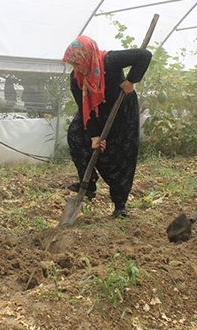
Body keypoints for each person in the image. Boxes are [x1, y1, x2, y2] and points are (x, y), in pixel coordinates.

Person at [62, 35, 152, 218]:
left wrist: (131, 81)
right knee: (75, 134)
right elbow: (84, 108)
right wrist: (94, 135)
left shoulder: (109, 61)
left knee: (122, 155)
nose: (77, 69)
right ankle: (88, 182)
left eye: (78, 63)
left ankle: (120, 205)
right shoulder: (76, 79)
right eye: (73, 64)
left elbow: (144, 55)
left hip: (122, 111)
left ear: (88, 56)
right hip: (95, 112)